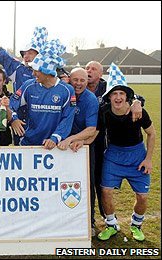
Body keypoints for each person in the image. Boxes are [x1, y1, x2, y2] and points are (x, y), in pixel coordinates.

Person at [93, 64, 155, 242]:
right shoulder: (104, 112)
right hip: (113, 155)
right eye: (114, 93)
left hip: (137, 156)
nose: (118, 97)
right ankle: (111, 225)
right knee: (105, 191)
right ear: (109, 97)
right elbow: (94, 132)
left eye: (121, 94)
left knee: (142, 197)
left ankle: (136, 225)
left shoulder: (139, 111)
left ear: (127, 96)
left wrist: (148, 159)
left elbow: (151, 134)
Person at [85, 60, 144, 225]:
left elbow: (133, 96)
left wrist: (137, 102)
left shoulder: (108, 88)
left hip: (102, 143)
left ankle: (108, 218)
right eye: (87, 68)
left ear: (100, 74)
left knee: (100, 181)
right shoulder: (78, 86)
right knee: (85, 181)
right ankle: (88, 220)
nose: (88, 71)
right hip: (83, 141)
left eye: (93, 69)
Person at [0, 26, 47, 145]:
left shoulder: (50, 71)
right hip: (22, 119)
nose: (26, 56)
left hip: (44, 117)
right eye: (24, 53)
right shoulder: (18, 68)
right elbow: (0, 52)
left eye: (30, 53)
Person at [9, 39, 75, 149]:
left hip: (53, 146)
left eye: (36, 70)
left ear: (48, 72)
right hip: (28, 144)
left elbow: (67, 118)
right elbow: (12, 104)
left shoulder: (67, 90)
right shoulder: (28, 85)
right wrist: (14, 119)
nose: (33, 73)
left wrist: (55, 138)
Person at [57, 67, 99, 235]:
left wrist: (73, 139)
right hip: (60, 147)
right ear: (69, 80)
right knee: (60, 183)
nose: (79, 84)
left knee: (86, 184)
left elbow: (91, 129)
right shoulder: (62, 93)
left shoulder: (90, 100)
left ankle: (90, 222)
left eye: (82, 80)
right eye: (75, 80)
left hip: (81, 147)